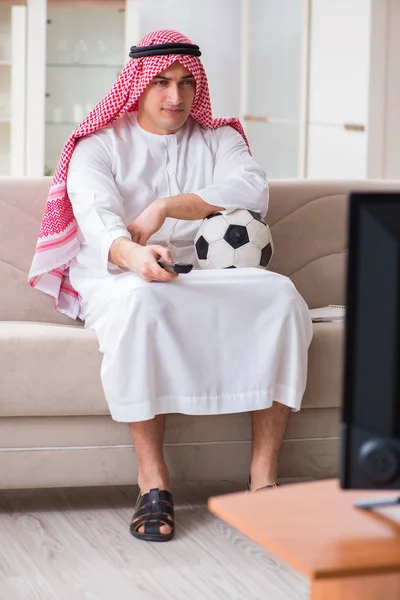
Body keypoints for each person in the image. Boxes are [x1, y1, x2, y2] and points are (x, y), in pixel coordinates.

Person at [29, 29, 313, 543]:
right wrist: (136, 254)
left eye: (185, 83)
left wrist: (164, 206)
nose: (175, 97)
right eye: (161, 82)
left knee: (281, 296)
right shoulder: (98, 144)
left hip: (209, 270)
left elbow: (250, 189)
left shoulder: (219, 138)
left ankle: (263, 482)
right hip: (122, 272)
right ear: (136, 84)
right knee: (144, 299)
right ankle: (152, 481)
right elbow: (96, 220)